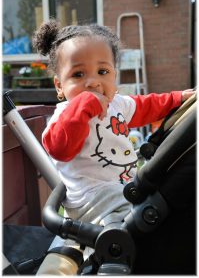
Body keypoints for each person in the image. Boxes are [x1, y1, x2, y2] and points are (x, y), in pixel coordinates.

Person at [33, 20, 195, 275]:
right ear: (59, 86)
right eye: (78, 75)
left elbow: (147, 106)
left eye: (102, 72)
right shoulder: (64, 115)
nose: (93, 83)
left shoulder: (118, 104)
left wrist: (177, 99)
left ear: (114, 75)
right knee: (141, 228)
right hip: (92, 202)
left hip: (123, 191)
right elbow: (59, 147)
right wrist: (84, 105)